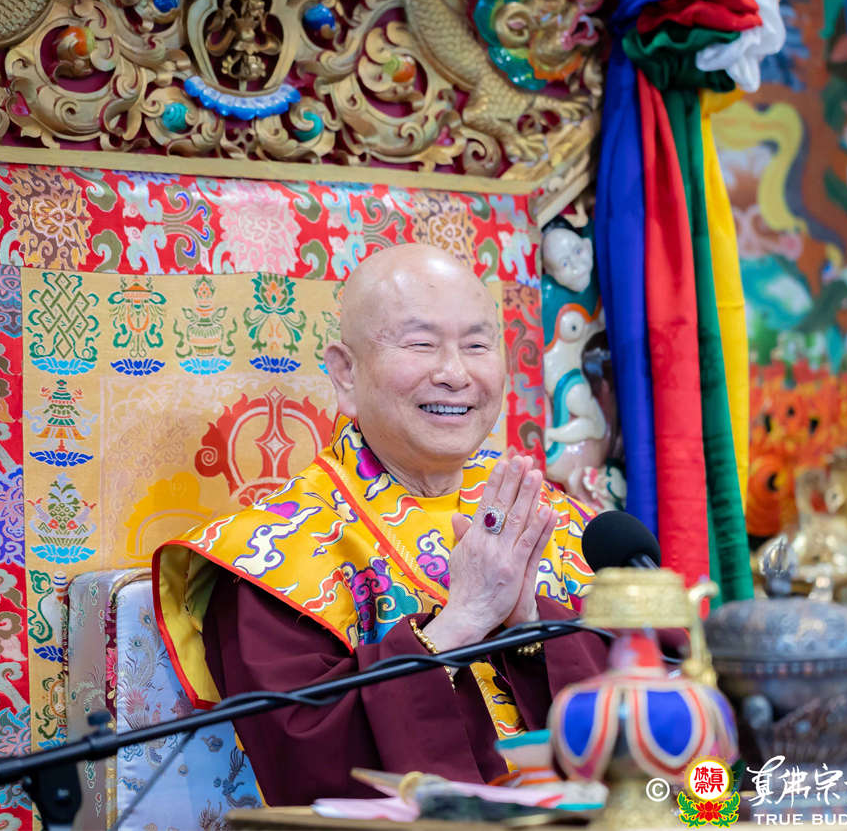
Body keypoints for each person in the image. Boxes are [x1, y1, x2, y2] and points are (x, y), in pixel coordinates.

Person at [154, 243, 610, 806]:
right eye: (421, 344)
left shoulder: (557, 521)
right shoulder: (270, 555)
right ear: (346, 373)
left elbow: (663, 698)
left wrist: (532, 626)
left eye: (477, 345)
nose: (455, 374)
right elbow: (305, 767)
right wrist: (461, 622)